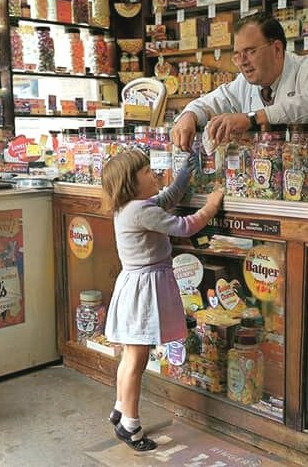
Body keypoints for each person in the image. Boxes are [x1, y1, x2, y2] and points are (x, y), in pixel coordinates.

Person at [101, 149, 223, 452]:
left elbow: (167, 197)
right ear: (130, 184)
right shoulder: (141, 211)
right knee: (137, 359)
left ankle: (119, 407)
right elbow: (184, 226)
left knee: (130, 355)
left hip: (136, 285)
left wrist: (184, 173)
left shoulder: (132, 207)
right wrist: (210, 206)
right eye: (146, 172)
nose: (153, 174)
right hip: (144, 290)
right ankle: (130, 425)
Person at [171, 11, 308, 151]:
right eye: (237, 54)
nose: (242, 62)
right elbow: (210, 101)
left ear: (276, 48)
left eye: (250, 51)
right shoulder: (244, 83)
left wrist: (252, 119)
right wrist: (189, 115)